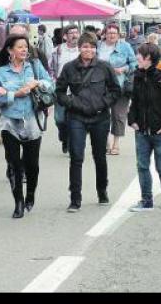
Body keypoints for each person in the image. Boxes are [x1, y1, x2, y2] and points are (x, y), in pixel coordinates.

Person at [55, 33, 121, 213]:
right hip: (76, 117)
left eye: (92, 47)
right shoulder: (69, 68)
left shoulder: (105, 67)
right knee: (76, 157)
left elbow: (115, 91)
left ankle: (102, 191)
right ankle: (75, 198)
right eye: (85, 47)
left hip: (100, 117)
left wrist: (102, 103)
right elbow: (59, 92)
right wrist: (72, 103)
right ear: (79, 48)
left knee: (99, 156)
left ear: (96, 49)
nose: (88, 50)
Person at [0, 35, 53, 218]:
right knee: (14, 164)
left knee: (32, 165)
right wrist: (15, 94)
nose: (24, 50)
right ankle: (18, 201)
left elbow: (50, 85)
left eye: (26, 47)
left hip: (32, 120)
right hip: (9, 122)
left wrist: (37, 83)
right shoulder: (0, 72)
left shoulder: (34, 66)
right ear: (10, 50)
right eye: (20, 47)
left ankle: (31, 194)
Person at [128, 43, 161, 212]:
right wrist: (132, 120)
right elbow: (134, 101)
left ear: (148, 57)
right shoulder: (138, 76)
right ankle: (146, 200)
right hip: (142, 131)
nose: (137, 57)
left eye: (139, 54)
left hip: (160, 132)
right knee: (142, 166)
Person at [97, 23, 137, 156]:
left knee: (118, 115)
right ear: (104, 34)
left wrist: (123, 69)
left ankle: (116, 144)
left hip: (120, 86)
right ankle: (106, 143)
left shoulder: (125, 46)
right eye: (109, 33)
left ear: (118, 35)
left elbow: (134, 63)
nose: (111, 35)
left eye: (114, 33)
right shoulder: (98, 46)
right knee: (101, 115)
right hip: (100, 86)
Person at [49, 24, 81, 154]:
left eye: (76, 33)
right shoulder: (56, 51)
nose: (74, 35)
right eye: (71, 33)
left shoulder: (82, 50)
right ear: (65, 36)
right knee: (60, 119)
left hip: (77, 90)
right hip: (61, 89)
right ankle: (64, 136)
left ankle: (72, 143)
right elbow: (50, 68)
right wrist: (53, 81)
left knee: (75, 120)